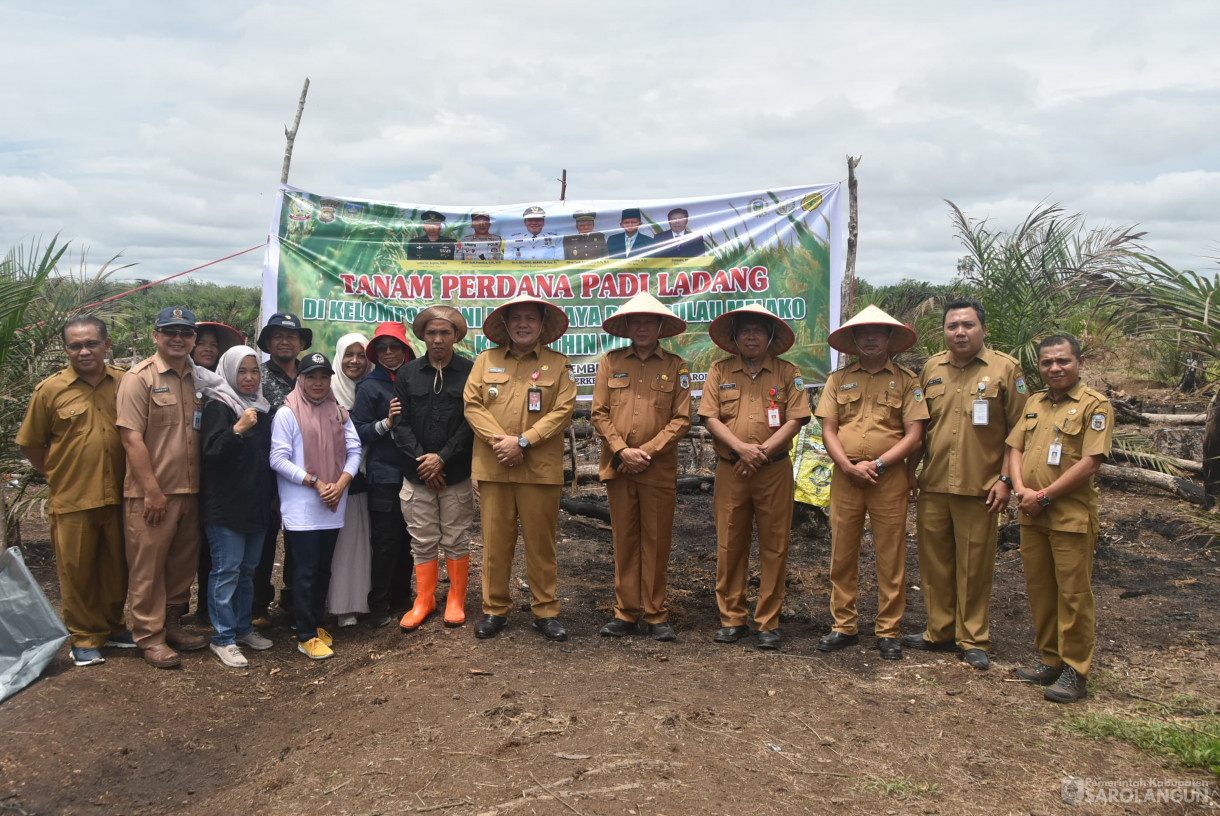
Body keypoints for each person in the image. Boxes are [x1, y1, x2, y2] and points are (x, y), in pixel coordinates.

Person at [905, 299, 1027, 670]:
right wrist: (911, 472)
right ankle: (938, 630)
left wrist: (1006, 479)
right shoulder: (931, 368)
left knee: (975, 566)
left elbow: (1020, 431)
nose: (960, 331)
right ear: (943, 331)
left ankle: (973, 638)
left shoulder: (1006, 369)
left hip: (981, 486)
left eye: (968, 325)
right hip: (935, 484)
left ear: (983, 330)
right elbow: (921, 427)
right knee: (934, 563)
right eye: (952, 325)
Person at [17, 316, 132, 668]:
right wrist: (57, 471)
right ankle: (83, 637)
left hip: (120, 495)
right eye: (75, 345)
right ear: (66, 349)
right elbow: (32, 444)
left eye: (91, 343)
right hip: (73, 498)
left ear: (106, 345)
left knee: (117, 568)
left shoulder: (126, 383)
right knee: (76, 570)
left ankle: (112, 626)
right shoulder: (50, 390)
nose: (84, 351)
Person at [814, 305, 927, 660]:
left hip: (888, 479)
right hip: (845, 478)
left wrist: (877, 464)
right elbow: (828, 429)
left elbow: (915, 435)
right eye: (863, 333)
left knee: (890, 555)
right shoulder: (838, 380)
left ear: (890, 339)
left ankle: (888, 629)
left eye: (878, 332)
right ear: (854, 340)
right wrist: (847, 466)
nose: (871, 338)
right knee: (842, 552)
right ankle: (843, 625)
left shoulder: (908, 381)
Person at [463, 294, 577, 641]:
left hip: (539, 470)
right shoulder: (486, 361)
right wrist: (503, 443)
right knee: (495, 544)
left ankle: (546, 612)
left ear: (542, 325)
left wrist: (523, 441)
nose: (523, 324)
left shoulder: (558, 365)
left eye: (531, 318)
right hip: (495, 466)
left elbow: (563, 410)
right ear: (506, 325)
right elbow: (472, 404)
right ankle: (495, 609)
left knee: (541, 545)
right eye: (516, 318)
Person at [1007, 334, 1112, 703]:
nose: (1055, 368)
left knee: (1073, 594)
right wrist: (1020, 488)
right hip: (1031, 513)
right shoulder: (1034, 402)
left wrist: (1045, 495)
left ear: (1079, 363)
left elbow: (1090, 462)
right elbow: (1014, 446)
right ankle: (1050, 660)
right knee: (1040, 590)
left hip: (1069, 516)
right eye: (1047, 362)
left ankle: (1076, 670)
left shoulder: (1094, 406)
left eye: (1063, 361)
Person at [699, 305, 810, 650]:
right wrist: (740, 450)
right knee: (730, 542)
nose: (751, 336)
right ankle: (732, 618)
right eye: (744, 330)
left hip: (773, 470)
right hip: (731, 469)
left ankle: (768, 622)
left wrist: (759, 453)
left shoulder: (788, 373)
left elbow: (796, 419)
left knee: (774, 545)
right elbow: (710, 418)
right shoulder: (719, 371)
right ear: (734, 338)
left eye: (757, 331)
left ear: (770, 337)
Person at [590, 292, 691, 641]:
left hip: (657, 469)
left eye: (650, 321)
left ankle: (656, 613)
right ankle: (626, 612)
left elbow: (681, 419)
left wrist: (644, 452)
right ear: (628, 326)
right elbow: (599, 413)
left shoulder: (676, 366)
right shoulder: (610, 361)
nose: (643, 326)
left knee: (657, 540)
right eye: (637, 321)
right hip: (619, 467)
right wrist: (621, 450)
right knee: (625, 540)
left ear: (660, 326)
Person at [115, 306, 211, 668]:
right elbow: (131, 440)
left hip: (191, 490)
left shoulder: (198, 379)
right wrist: (151, 491)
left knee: (181, 567)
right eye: (170, 331)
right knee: (148, 568)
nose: (178, 338)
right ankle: (149, 637)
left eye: (185, 333)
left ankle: (172, 625)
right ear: (155, 336)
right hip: (152, 494)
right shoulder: (139, 379)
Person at [270, 352, 362, 660]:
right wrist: (315, 481)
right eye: (312, 377)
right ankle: (305, 634)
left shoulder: (338, 411)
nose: (319, 383)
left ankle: (317, 623)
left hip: (333, 503)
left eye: (324, 377)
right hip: (303, 508)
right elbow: (278, 459)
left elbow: (355, 449)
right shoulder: (288, 413)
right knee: (306, 572)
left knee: (324, 570)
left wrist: (342, 482)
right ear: (301, 379)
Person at [393, 306, 476, 629]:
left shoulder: (469, 372)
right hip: (417, 476)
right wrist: (424, 462)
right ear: (423, 337)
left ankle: (455, 599)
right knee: (422, 539)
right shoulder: (407, 374)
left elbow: (471, 422)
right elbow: (399, 423)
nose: (438, 339)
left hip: (455, 474)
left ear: (456, 336)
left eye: (445, 333)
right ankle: (424, 599)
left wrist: (442, 458)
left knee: (456, 538)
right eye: (431, 333)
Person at [199, 346, 276, 668]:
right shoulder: (220, 406)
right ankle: (223, 638)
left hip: (256, 504)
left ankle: (243, 628)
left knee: (248, 571)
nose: (248, 378)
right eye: (242, 371)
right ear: (229, 372)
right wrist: (237, 429)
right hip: (226, 506)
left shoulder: (262, 407)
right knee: (227, 571)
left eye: (254, 371)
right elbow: (210, 452)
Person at [352, 321, 417, 628]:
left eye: (394, 347)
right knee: (386, 541)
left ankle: (404, 597)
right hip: (384, 475)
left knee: (410, 539)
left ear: (405, 349)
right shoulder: (369, 386)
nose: (389, 352)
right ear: (375, 353)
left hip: (415, 472)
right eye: (382, 348)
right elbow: (359, 431)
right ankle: (378, 604)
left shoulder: (418, 378)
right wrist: (386, 424)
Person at [253, 312, 313, 626]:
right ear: (268, 342)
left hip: (304, 471)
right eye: (277, 336)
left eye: (291, 336)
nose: (285, 341)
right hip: (264, 470)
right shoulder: (257, 375)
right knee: (264, 538)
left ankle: (294, 601)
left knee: (300, 536)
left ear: (302, 342)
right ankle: (258, 606)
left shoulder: (311, 374)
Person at [190, 321, 244, 625]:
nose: (208, 349)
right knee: (190, 549)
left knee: (217, 552)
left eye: (213, 344)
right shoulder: (183, 380)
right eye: (201, 343)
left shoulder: (224, 390)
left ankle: (210, 611)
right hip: (180, 474)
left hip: (219, 481)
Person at [327, 333, 374, 627]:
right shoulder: (325, 389)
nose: (355, 361)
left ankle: (354, 603)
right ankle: (332, 604)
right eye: (349, 355)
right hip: (329, 482)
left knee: (357, 544)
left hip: (363, 480)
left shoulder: (371, 389)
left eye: (361, 355)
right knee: (332, 546)